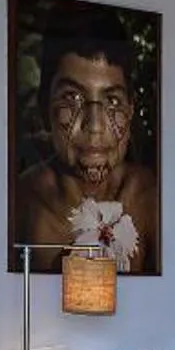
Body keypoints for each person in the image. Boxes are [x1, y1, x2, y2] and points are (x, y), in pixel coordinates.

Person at [13, 35, 161, 274]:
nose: (94, 126)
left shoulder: (151, 200)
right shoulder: (22, 203)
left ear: (131, 111)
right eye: (73, 98)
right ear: (44, 106)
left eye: (112, 101)